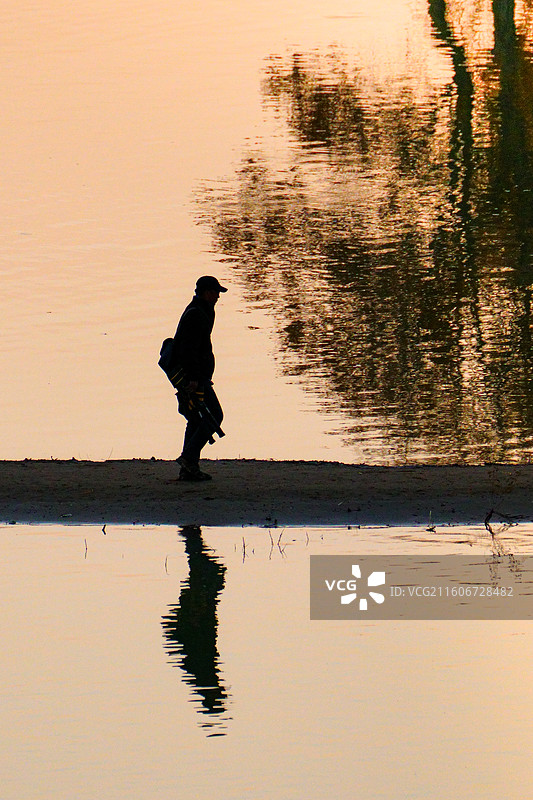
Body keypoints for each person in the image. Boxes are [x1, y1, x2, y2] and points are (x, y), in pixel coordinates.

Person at [173, 275, 227, 481]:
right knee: (215, 415)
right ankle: (188, 458)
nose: (218, 297)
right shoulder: (196, 314)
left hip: (197, 375)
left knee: (196, 419)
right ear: (205, 293)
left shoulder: (202, 311)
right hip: (194, 377)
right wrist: (194, 378)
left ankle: (188, 469)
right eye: (215, 292)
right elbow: (189, 349)